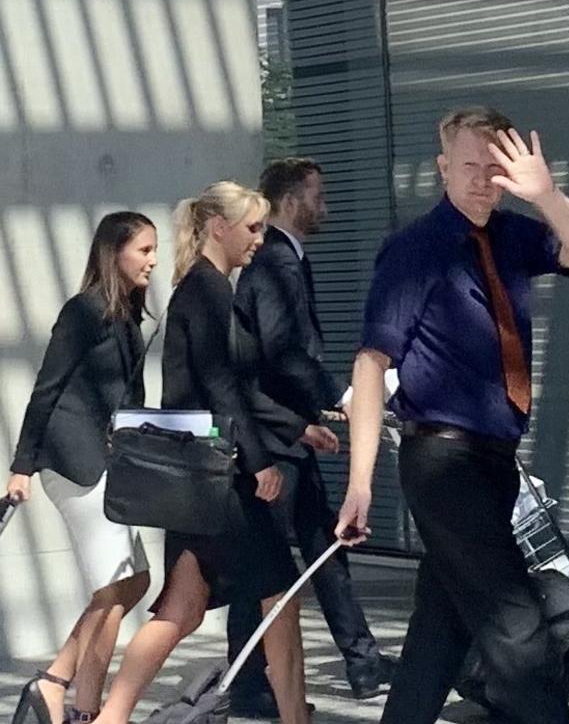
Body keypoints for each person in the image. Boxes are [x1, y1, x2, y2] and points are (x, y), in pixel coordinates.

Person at [334, 106, 569, 724]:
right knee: (519, 632)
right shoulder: (413, 249)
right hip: (441, 460)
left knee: (441, 627)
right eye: (468, 166)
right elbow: (372, 364)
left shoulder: (512, 234)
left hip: (494, 459)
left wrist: (548, 195)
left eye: (495, 168)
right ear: (441, 169)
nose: (482, 180)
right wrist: (359, 484)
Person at [90, 182, 309, 724]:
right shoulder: (209, 290)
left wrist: (300, 428)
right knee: (279, 599)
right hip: (224, 475)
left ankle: (110, 718)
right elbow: (221, 384)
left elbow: (231, 383)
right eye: (253, 227)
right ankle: (295, 718)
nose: (260, 239)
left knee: (181, 609)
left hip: (198, 477)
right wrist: (258, 463)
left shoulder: (199, 287)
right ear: (219, 227)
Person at [228, 157, 394, 713]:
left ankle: (363, 662)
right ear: (292, 198)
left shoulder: (285, 259)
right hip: (277, 442)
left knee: (327, 547)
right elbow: (282, 353)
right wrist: (337, 398)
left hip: (292, 436)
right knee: (268, 563)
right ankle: (249, 684)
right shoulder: (276, 262)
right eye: (318, 195)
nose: (325, 206)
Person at [6, 212, 157, 724]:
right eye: (143, 250)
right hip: (74, 463)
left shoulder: (129, 316)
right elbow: (46, 387)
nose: (153, 261)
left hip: (109, 464)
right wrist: (21, 466)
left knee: (134, 582)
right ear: (114, 252)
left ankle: (53, 682)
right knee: (113, 587)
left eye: (154, 250)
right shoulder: (84, 311)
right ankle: (87, 707)